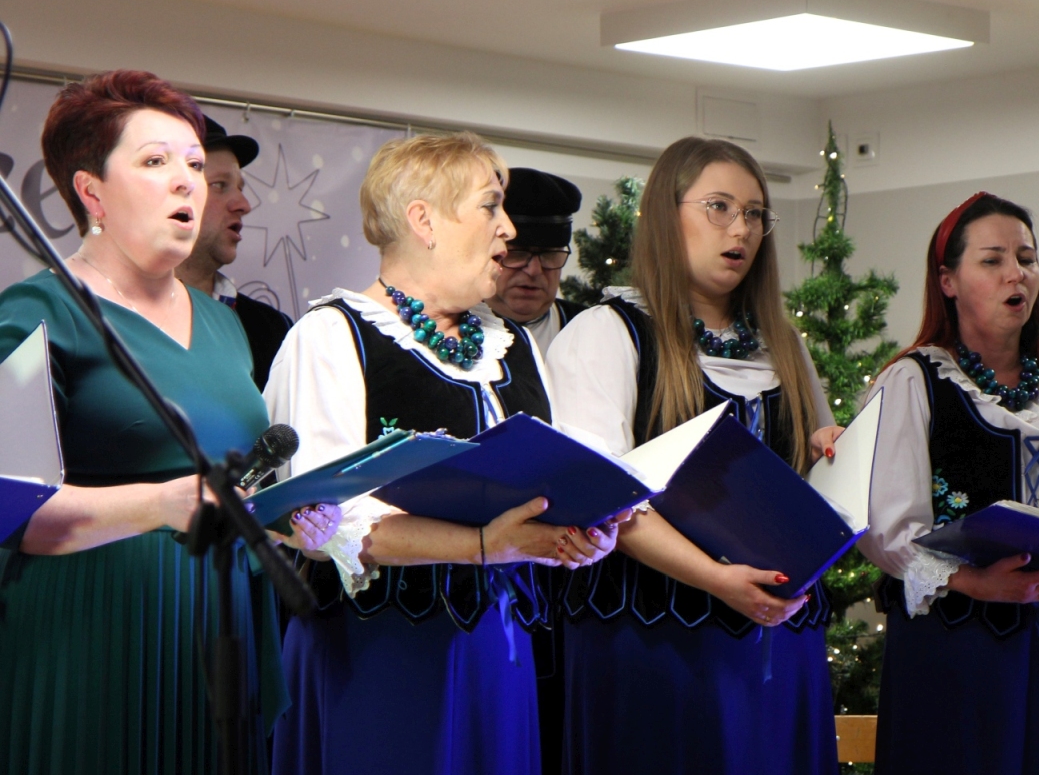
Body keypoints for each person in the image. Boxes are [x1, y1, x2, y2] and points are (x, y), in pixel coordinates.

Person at [0, 70, 333, 775]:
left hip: (220, 627)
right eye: (155, 162)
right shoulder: (36, 314)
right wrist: (158, 504)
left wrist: (285, 514)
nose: (188, 182)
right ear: (91, 192)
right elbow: (9, 505)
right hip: (91, 636)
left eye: (192, 164)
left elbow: (231, 486)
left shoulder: (224, 326)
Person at [264, 132, 624, 775]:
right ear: (423, 220)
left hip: (501, 650)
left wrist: (580, 529)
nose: (508, 230)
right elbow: (327, 524)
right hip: (380, 652)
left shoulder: (512, 344)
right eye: (490, 206)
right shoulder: (332, 335)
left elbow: (550, 480)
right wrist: (484, 544)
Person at [546, 136, 842, 774]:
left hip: (777, 639)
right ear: (665, 214)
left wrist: (831, 454)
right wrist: (716, 579)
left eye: (755, 213)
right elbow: (605, 501)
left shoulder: (785, 345)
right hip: (654, 642)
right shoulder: (608, 333)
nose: (741, 229)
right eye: (719, 207)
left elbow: (817, 480)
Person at [857, 192, 1039, 774]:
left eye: (1026, 259)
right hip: (953, 647)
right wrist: (978, 582)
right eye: (993, 260)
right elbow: (885, 529)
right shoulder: (914, 381)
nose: (1016, 274)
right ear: (948, 281)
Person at [177, 115, 294, 390]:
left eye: (240, 188)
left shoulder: (271, 328)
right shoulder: (109, 314)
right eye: (220, 185)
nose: (243, 204)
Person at [485, 167, 585, 352]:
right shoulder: (443, 328)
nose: (534, 270)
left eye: (549, 254)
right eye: (518, 253)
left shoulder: (589, 330)